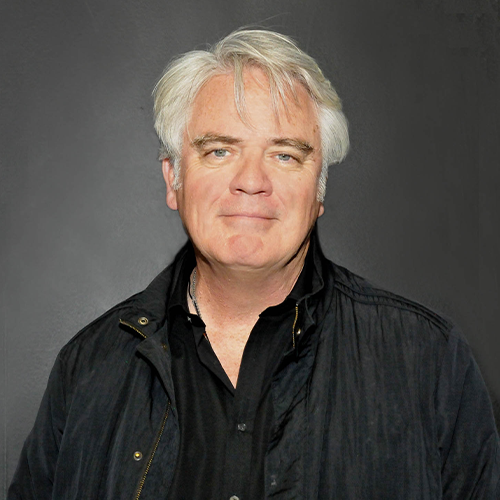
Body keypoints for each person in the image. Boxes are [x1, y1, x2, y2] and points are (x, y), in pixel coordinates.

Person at [8, 29, 500, 499]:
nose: (251, 181)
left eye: (285, 156)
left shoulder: (429, 363)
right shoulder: (87, 368)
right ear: (173, 179)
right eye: (219, 151)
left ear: (319, 188)